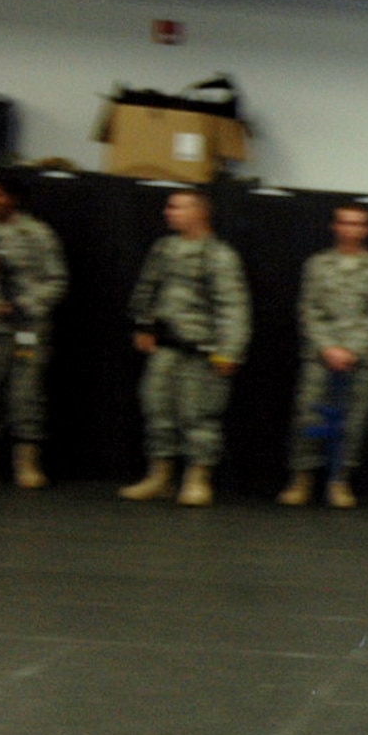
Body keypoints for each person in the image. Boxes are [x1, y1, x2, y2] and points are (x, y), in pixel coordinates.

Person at [122, 189, 250, 507]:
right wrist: (144, 324)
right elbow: (146, 289)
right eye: (169, 206)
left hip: (203, 352)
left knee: (200, 416)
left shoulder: (219, 255)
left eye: (177, 206)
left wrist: (229, 351)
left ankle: (197, 478)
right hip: (166, 348)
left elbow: (234, 307)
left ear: (200, 212)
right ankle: (160, 476)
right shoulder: (164, 249)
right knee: (157, 409)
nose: (169, 212)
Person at [277, 203, 368, 509]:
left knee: (353, 420)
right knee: (308, 415)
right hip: (320, 356)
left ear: (367, 230)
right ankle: (301, 480)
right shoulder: (317, 265)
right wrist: (328, 348)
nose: (352, 229)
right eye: (346, 223)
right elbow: (308, 310)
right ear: (335, 227)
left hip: (361, 359)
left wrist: (351, 350)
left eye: (358, 224)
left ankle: (339, 481)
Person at [0, 173, 66, 489]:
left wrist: (25, 304)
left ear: (14, 198)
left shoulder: (36, 234)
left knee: (26, 393)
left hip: (26, 330)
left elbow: (57, 280)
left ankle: (27, 463)